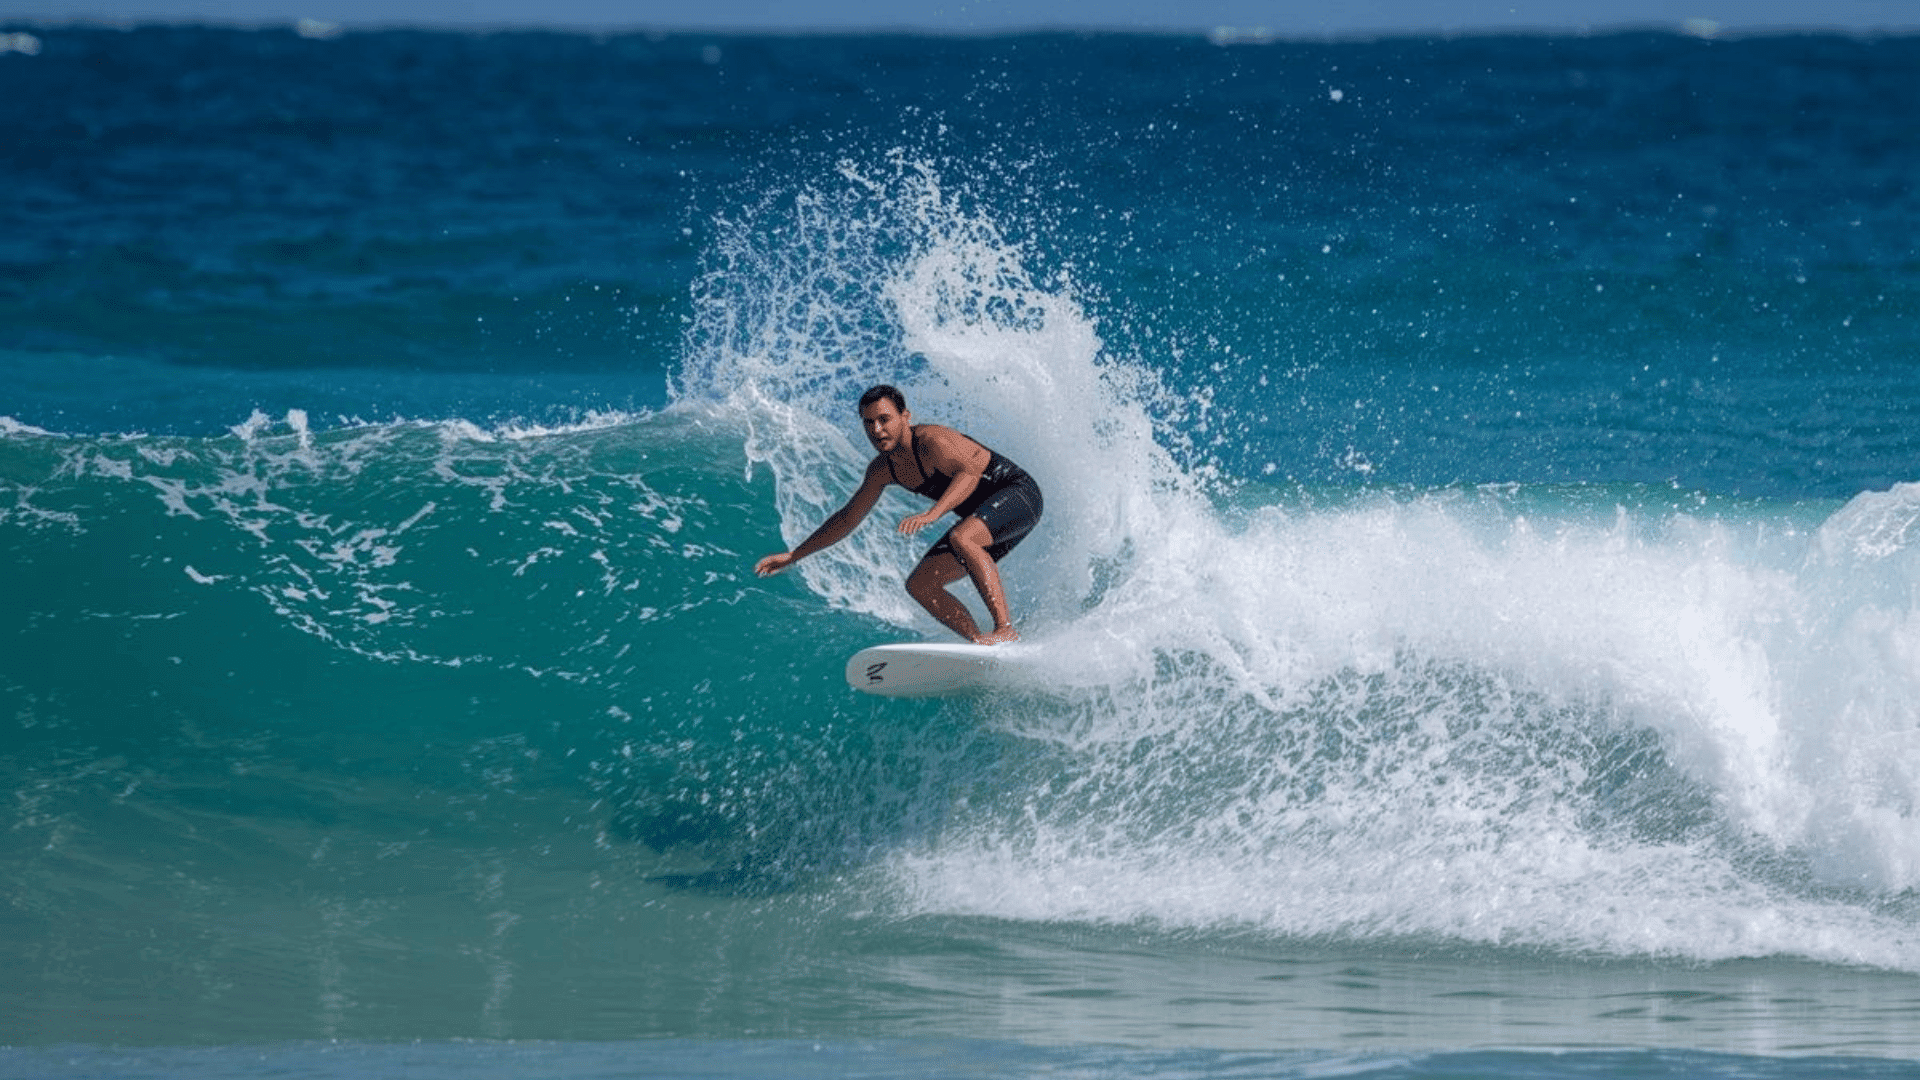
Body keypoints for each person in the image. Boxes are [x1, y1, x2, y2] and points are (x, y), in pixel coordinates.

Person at [754, 385, 1044, 645]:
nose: (877, 430)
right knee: (920, 584)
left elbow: (969, 473)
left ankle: (1004, 628)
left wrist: (933, 514)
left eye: (884, 419)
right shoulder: (883, 469)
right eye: (869, 423)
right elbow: (848, 518)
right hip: (985, 521)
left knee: (962, 537)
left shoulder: (933, 440)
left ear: (905, 416)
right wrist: (795, 555)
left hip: (1019, 495)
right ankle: (980, 643)